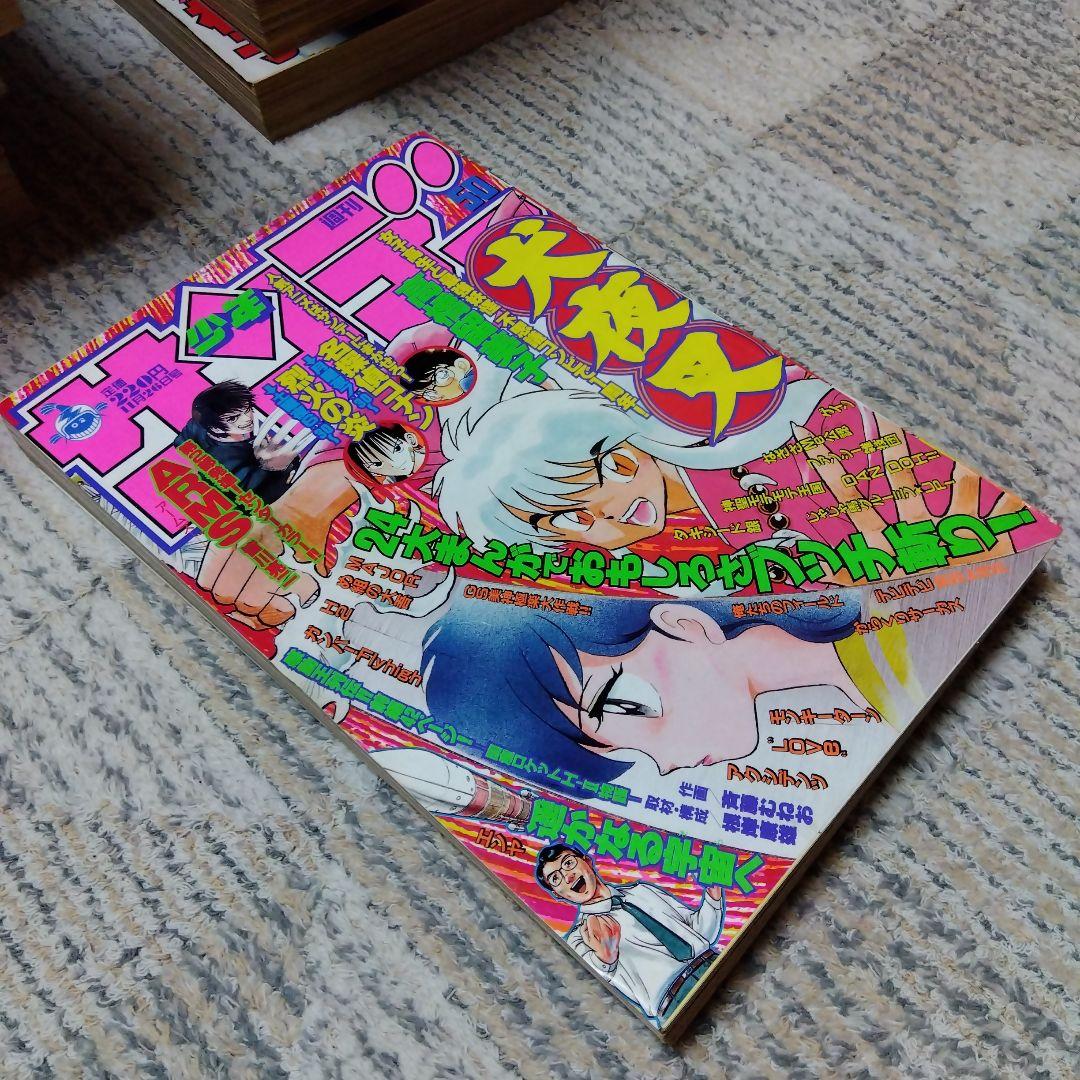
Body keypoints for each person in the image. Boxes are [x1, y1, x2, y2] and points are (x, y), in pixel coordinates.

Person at [422, 590, 863, 783]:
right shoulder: (871, 685)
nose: (665, 765)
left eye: (626, 705)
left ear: (684, 624)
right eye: (616, 748)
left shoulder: (888, 657)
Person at [536, 844, 725, 1023]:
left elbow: (699, 931)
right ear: (557, 894)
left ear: (586, 860)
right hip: (676, 1001)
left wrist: (713, 900)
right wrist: (606, 958)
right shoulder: (579, 938)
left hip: (713, 963)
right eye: (555, 879)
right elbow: (597, 980)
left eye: (568, 863)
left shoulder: (642, 890)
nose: (568, 877)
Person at [174, 380, 299, 503]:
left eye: (247, 409)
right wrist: (269, 466)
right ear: (215, 428)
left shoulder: (198, 426)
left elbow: (180, 441)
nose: (247, 418)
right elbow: (249, 495)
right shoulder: (224, 459)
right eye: (233, 418)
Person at [398, 346, 476, 404]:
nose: (436, 395)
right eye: (427, 394)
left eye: (441, 376)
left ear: (461, 365)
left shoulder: (467, 382)